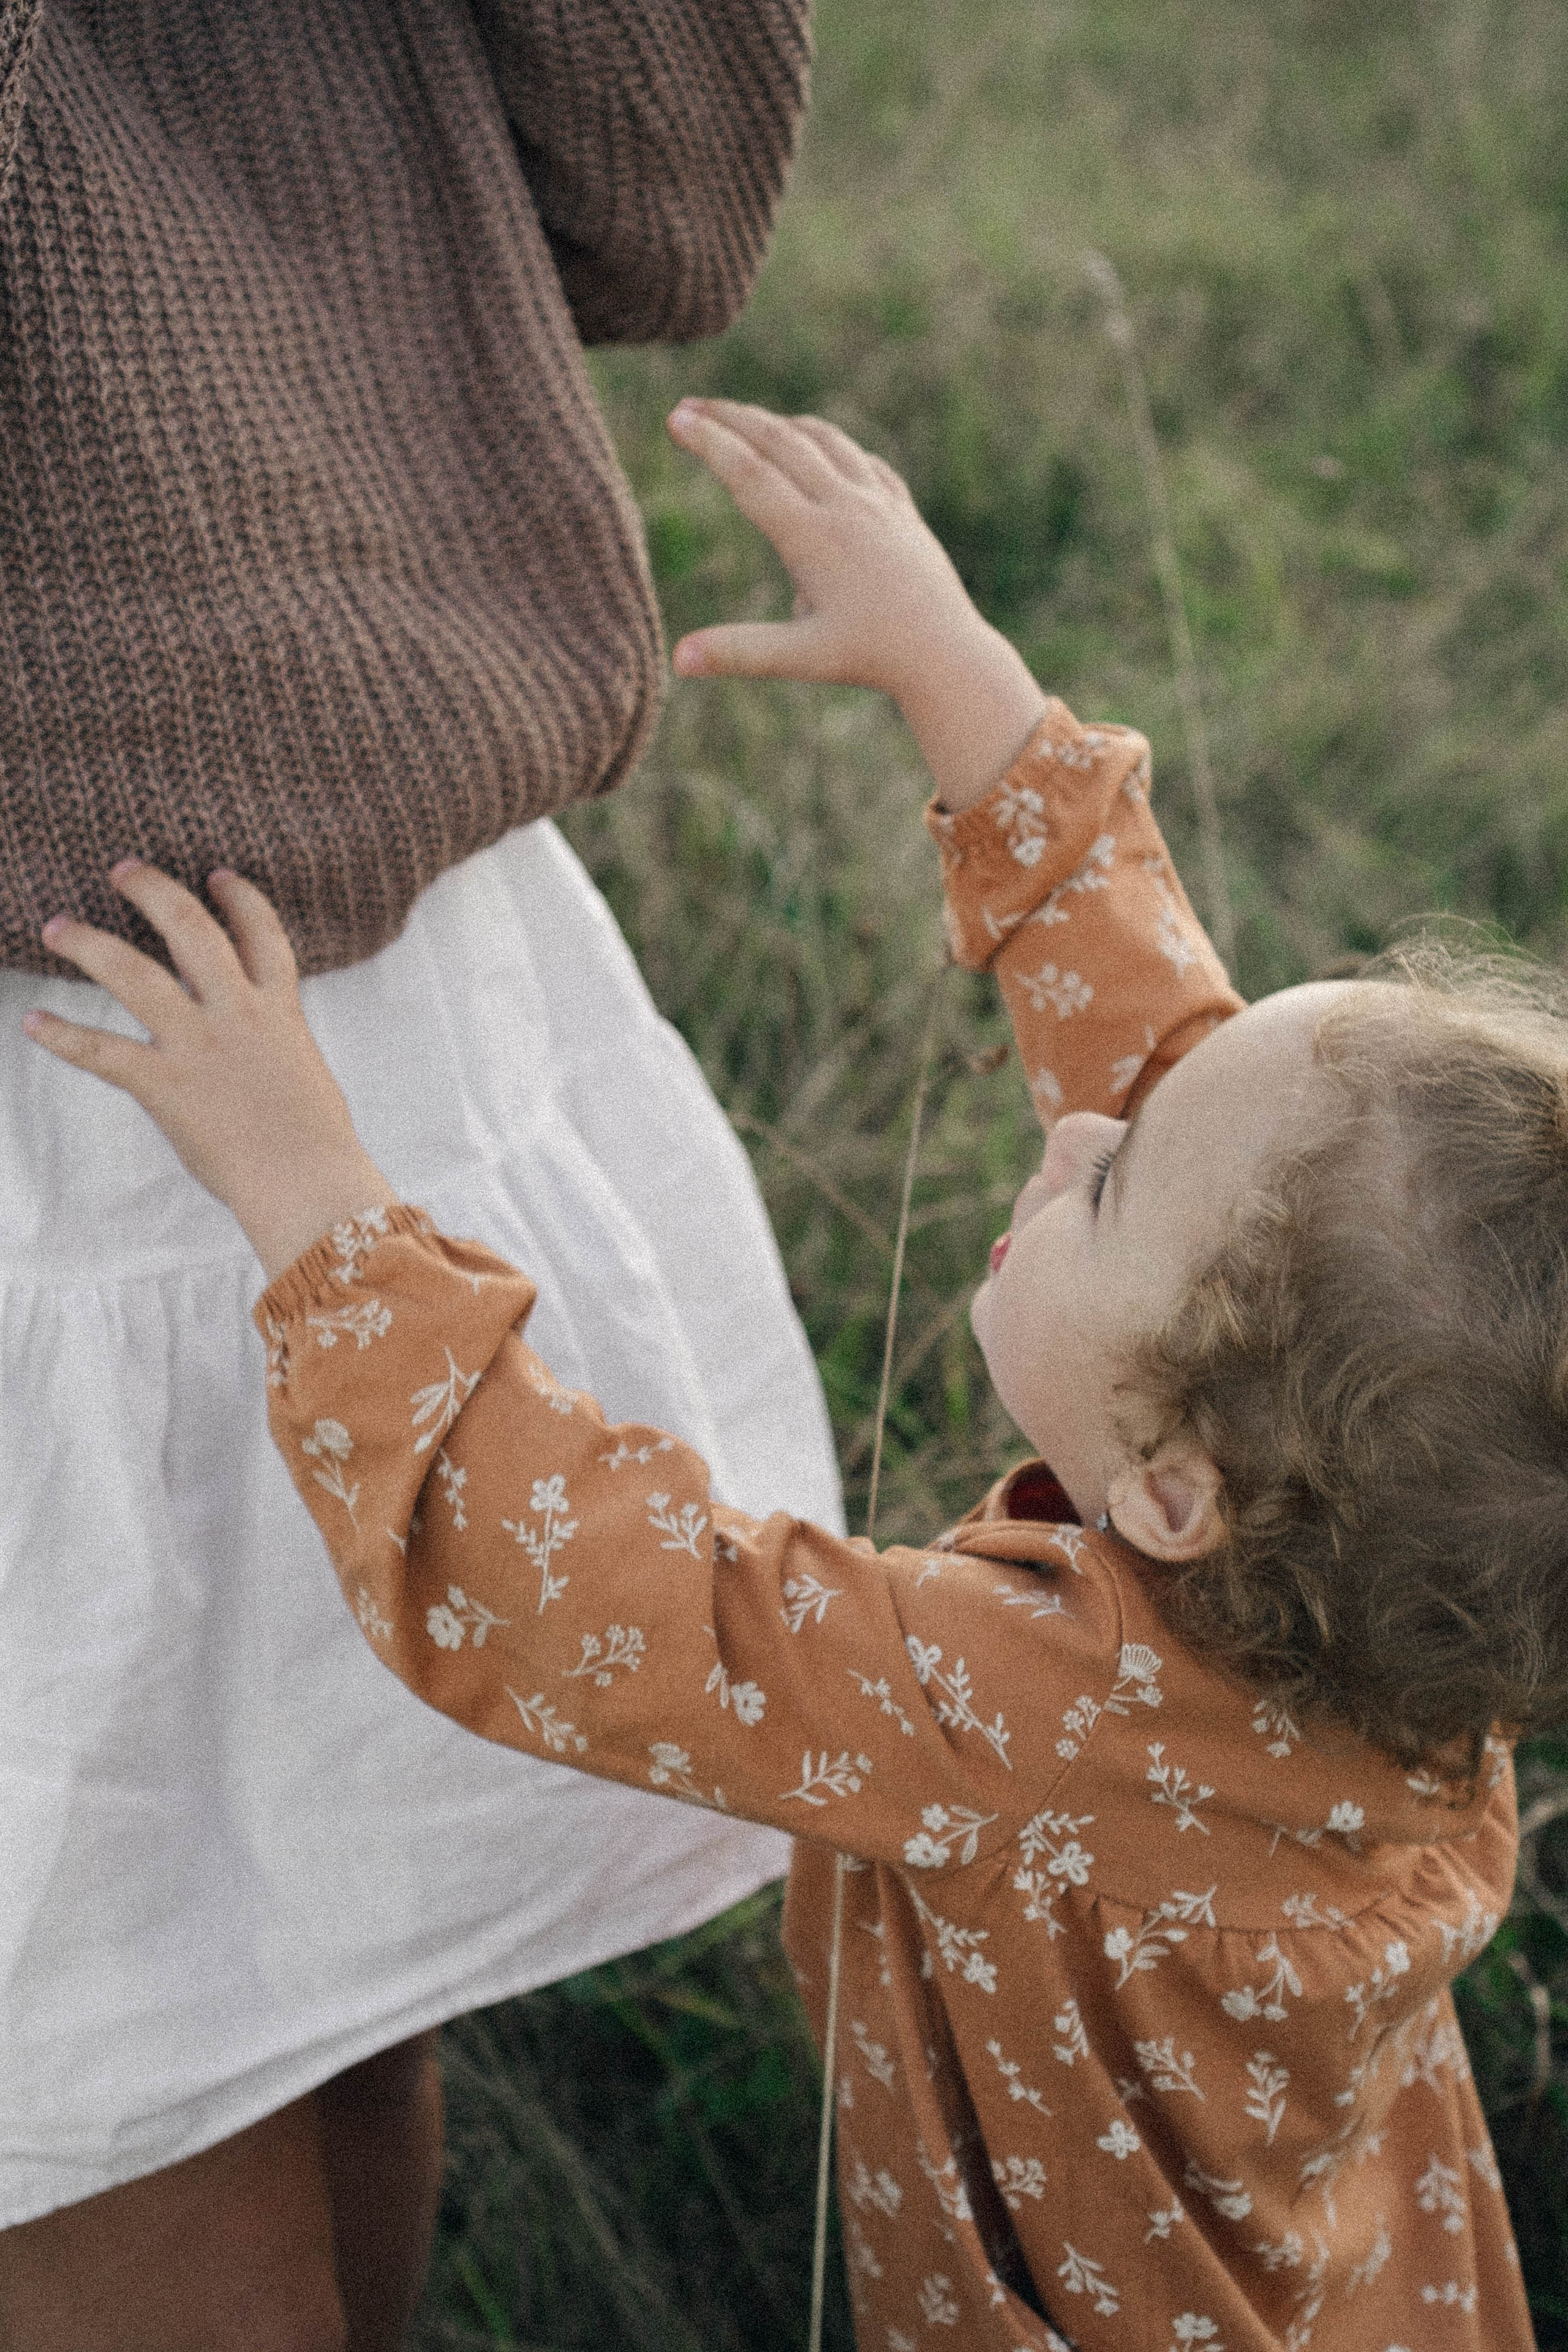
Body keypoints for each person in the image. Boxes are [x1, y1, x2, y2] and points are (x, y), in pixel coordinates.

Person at [27, 398, 1551, 2350]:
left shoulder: (1017, 1711)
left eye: (1112, 1184)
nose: (1083, 1133)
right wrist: (964, 682)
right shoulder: (1412, 1579)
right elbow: (1179, 1093)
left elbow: (592, 1599)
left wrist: (311, 1187)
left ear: (1178, 1487)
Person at [0, 12, 841, 2348]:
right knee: (105, 2105)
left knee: (344, 2007)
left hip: (369, 1002)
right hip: (44, 1083)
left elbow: (667, 201)